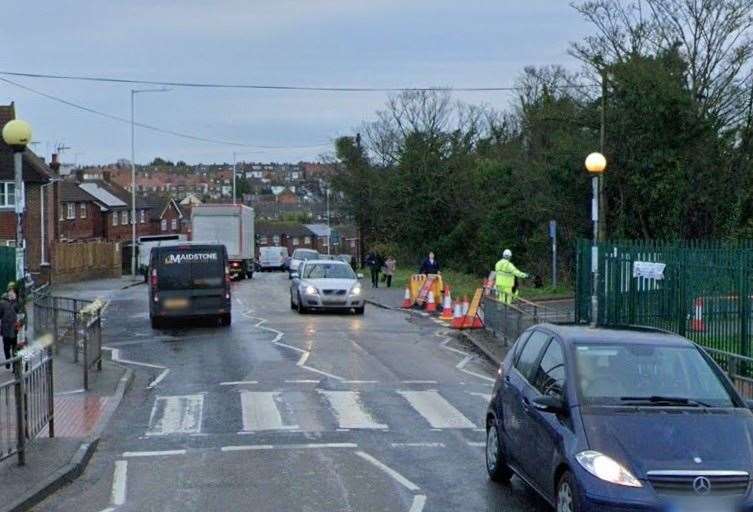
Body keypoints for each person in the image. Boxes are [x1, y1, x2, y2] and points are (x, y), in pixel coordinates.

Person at [0, 282, 20, 370]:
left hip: (15, 329)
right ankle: (8, 360)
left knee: (15, 348)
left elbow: (22, 314)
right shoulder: (2, 302)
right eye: (10, 291)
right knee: (6, 347)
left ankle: (15, 367)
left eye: (13, 291)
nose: (11, 293)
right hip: (6, 328)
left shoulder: (18, 302)